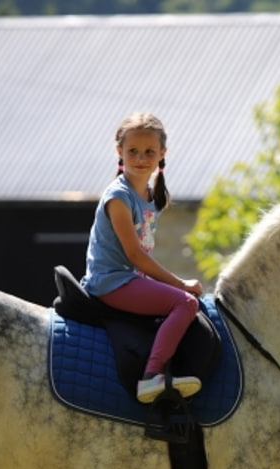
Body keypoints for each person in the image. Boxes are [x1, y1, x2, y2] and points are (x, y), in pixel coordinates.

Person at [81, 112, 203, 404]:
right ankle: (152, 376)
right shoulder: (118, 198)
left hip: (129, 278)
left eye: (149, 152)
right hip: (111, 281)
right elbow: (135, 255)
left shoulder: (150, 195)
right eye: (132, 151)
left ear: (162, 154)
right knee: (185, 303)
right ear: (119, 152)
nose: (140, 158)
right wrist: (179, 284)